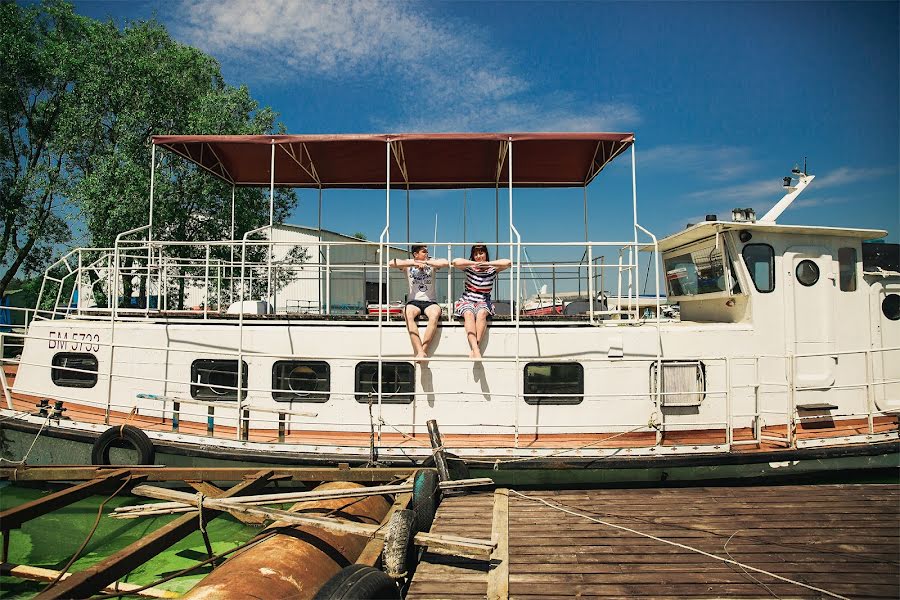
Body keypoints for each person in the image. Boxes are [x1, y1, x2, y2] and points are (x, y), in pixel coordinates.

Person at [390, 244, 449, 361]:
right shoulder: (409, 263)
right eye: (423, 252)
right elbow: (392, 262)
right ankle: (420, 351)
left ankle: (423, 351)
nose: (426, 253)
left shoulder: (431, 262)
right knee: (407, 313)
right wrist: (414, 263)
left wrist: (427, 263)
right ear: (416, 254)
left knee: (434, 315)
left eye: (427, 251)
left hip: (430, 302)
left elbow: (445, 262)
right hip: (413, 301)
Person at [452, 244, 511, 359]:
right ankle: (476, 349)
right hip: (467, 299)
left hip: (483, 300)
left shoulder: (492, 269)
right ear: (473, 256)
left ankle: (475, 347)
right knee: (468, 314)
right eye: (476, 254)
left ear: (486, 254)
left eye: (481, 253)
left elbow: (508, 262)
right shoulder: (469, 267)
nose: (479, 256)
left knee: (482, 313)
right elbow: (455, 262)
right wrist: (473, 263)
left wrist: (488, 263)